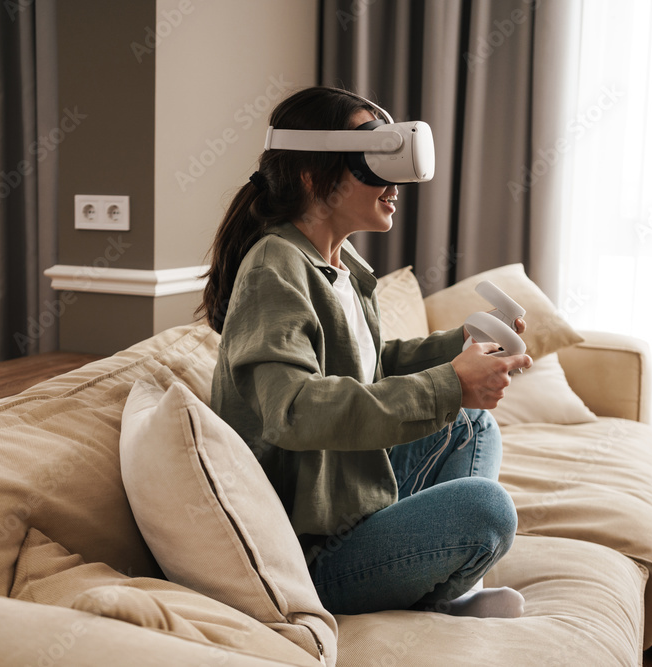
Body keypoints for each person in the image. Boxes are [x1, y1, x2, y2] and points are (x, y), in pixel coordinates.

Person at [198, 86, 532, 617]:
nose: (395, 184)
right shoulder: (273, 268)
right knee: (486, 509)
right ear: (312, 174)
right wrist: (450, 383)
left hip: (344, 497)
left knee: (472, 425)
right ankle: (440, 592)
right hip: (309, 555)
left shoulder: (338, 265)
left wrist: (462, 347)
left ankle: (427, 574)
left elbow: (372, 364)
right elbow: (293, 412)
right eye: (374, 158)